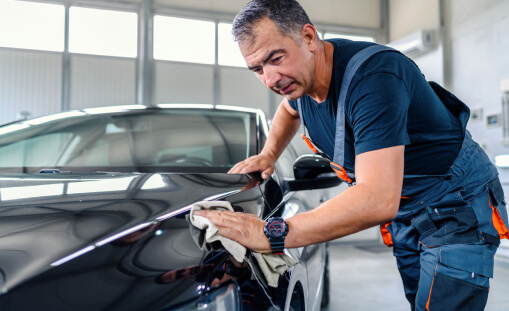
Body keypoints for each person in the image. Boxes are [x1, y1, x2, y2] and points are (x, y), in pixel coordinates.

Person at [192, 0, 509, 309]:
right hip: (408, 209)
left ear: (308, 38)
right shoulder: (299, 84)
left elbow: (377, 198)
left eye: (275, 58)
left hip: (456, 201)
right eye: (257, 68)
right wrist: (268, 153)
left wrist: (270, 233)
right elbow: (288, 112)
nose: (270, 79)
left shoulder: (373, 79)